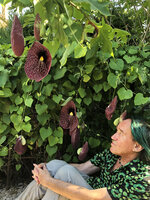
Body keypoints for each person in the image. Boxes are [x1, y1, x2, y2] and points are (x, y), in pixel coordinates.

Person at [15, 118, 150, 200]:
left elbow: (94, 198)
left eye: (121, 133)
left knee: (65, 173)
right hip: (91, 189)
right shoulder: (114, 154)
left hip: (95, 197)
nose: (113, 136)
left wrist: (49, 181)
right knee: (55, 166)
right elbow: (84, 168)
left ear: (137, 146)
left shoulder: (142, 179)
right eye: (116, 131)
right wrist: (46, 169)